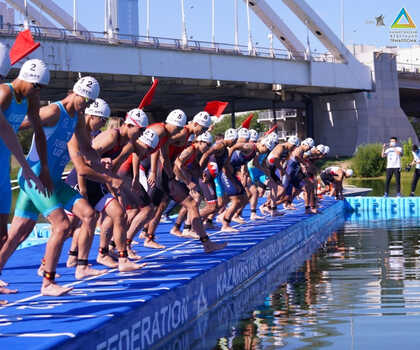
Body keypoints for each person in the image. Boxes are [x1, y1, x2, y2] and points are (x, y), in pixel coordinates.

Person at [0, 76, 106, 296]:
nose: (85, 105)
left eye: (89, 102)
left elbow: (86, 147)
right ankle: (47, 282)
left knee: (87, 215)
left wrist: (102, 164)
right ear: (75, 92)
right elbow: (20, 124)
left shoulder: (77, 116)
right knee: (62, 225)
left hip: (54, 180)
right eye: (84, 100)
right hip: (37, 177)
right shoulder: (53, 112)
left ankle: (82, 266)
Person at [0, 59, 53, 297]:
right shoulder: (4, 94)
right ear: (28, 79)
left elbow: (39, 134)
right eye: (37, 86)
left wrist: (42, 168)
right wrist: (25, 167)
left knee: (3, 234)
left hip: (2, 168)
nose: (38, 92)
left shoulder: (30, 99)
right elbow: (7, 133)